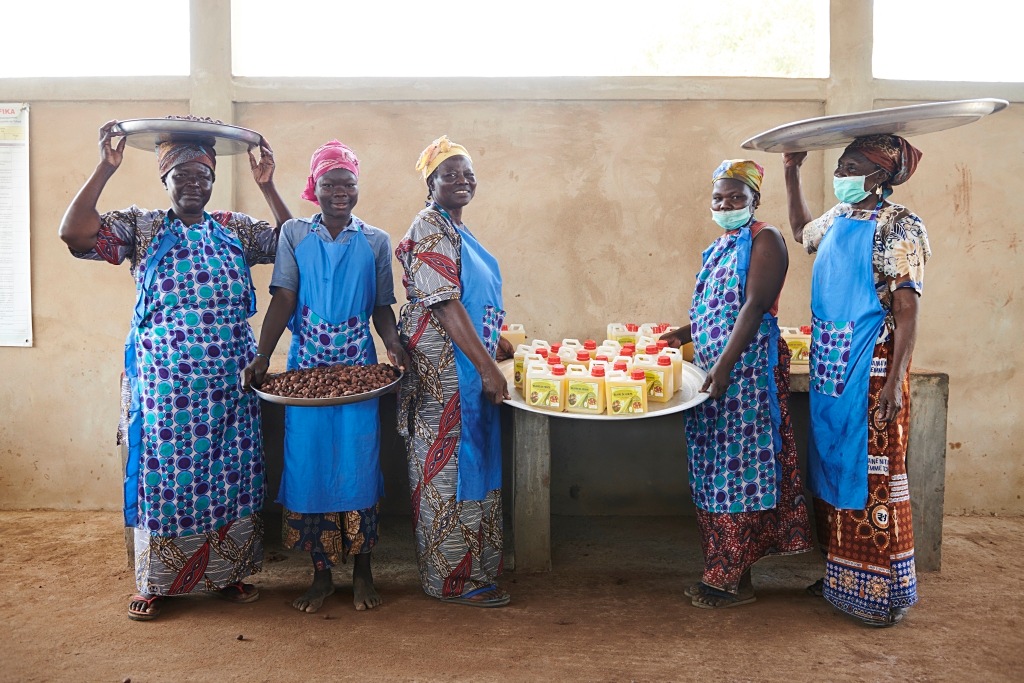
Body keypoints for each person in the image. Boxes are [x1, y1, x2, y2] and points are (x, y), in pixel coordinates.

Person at [58, 118, 291, 621]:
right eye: (181, 176)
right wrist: (106, 166)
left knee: (232, 476)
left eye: (201, 176)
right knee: (167, 478)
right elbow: (73, 232)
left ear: (212, 181)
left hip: (232, 381)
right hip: (166, 387)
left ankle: (228, 574)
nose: (192, 184)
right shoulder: (142, 228)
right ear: (164, 181)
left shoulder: (233, 229)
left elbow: (292, 246)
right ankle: (157, 582)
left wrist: (268, 186)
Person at [242, 140, 409, 613]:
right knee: (310, 462)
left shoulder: (374, 240)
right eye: (329, 183)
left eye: (348, 184)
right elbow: (284, 298)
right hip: (307, 365)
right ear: (314, 188)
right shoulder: (295, 233)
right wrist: (262, 355)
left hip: (358, 366)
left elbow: (381, 307)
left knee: (359, 460)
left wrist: (393, 344)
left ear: (358, 188)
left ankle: (362, 571)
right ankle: (320, 575)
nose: (340, 192)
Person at [783, 134, 929, 627]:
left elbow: (908, 308)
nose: (840, 174)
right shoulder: (839, 218)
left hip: (873, 365)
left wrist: (894, 384)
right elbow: (804, 231)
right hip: (831, 362)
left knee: (873, 476)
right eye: (840, 166)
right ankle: (841, 578)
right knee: (835, 471)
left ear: (879, 175)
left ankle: (879, 593)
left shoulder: (899, 226)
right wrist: (791, 171)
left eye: (850, 166)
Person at [662, 160, 812, 608]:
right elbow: (715, 310)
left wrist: (725, 366)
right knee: (712, 471)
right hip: (714, 373)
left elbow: (754, 306)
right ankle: (729, 572)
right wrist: (684, 336)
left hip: (743, 374)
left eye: (735, 197)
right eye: (718, 198)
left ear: (754, 201)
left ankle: (726, 577)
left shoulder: (765, 239)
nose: (725, 204)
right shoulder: (722, 244)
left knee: (740, 471)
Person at [395, 135, 512, 607]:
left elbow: (468, 297)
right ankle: (450, 580)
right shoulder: (428, 227)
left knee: (473, 467)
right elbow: (443, 302)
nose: (461, 180)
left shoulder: (457, 229)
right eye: (449, 173)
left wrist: (495, 342)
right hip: (445, 374)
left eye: (467, 173)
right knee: (447, 473)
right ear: (431, 184)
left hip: (467, 366)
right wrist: (487, 367)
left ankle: (476, 570)